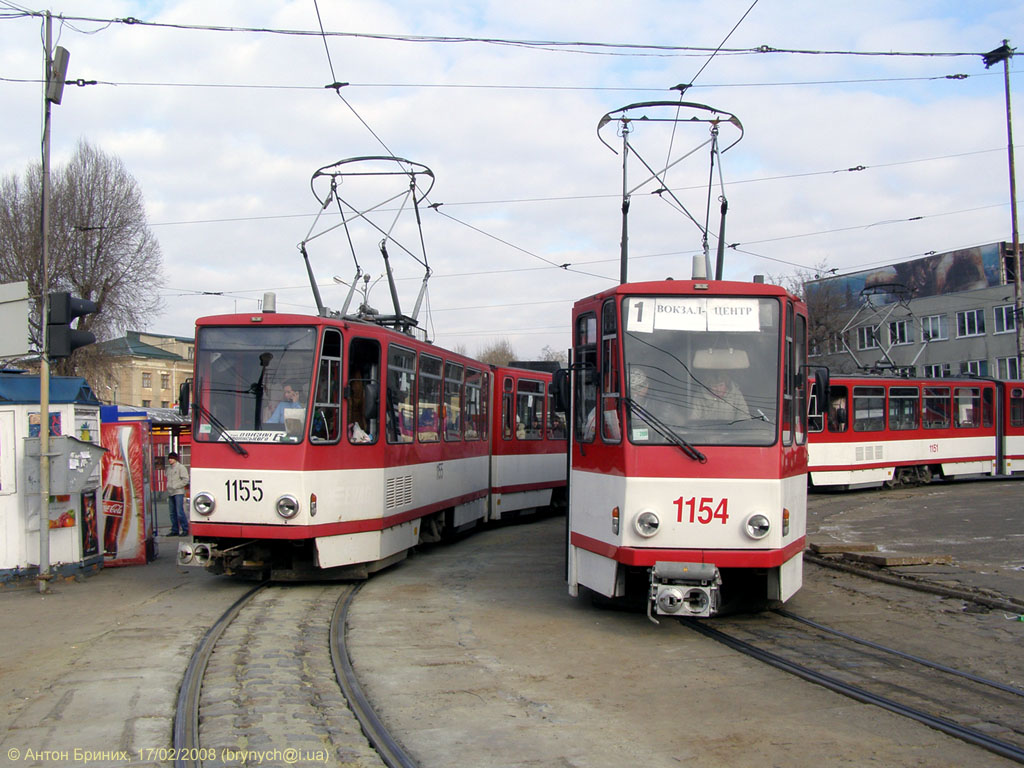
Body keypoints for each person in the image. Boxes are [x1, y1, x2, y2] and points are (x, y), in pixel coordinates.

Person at [166, 451, 190, 537]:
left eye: (171, 458)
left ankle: (185, 529)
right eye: (169, 458)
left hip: (178, 492)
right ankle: (175, 530)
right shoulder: (169, 469)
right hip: (170, 492)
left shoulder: (181, 468)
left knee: (180, 511)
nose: (170, 460)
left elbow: (185, 479)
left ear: (175, 459)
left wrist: (177, 486)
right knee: (172, 513)